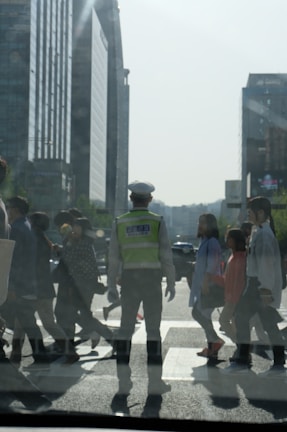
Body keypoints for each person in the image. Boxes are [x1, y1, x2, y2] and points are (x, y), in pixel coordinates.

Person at [107, 180, 176, 395]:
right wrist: (171, 281)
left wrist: (111, 285)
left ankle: (123, 381)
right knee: (153, 331)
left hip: (129, 280)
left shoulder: (120, 222)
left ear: (131, 198)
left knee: (125, 329)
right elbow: (166, 254)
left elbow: (113, 257)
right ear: (150, 199)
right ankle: (155, 382)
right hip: (152, 280)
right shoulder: (157, 221)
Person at [223, 196, 285, 375]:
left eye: (250, 212)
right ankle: (270, 362)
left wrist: (265, 291)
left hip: (259, 286)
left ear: (260, 213)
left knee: (257, 322)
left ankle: (251, 361)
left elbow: (266, 265)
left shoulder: (264, 234)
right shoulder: (259, 231)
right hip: (255, 285)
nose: (247, 214)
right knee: (259, 323)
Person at [4, 196, 53, 369]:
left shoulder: (16, 228)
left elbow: (15, 260)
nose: (7, 211)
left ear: (15, 209)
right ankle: (18, 356)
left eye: (8, 208)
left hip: (19, 285)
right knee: (24, 321)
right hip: (29, 282)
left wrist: (11, 286)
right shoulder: (27, 226)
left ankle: (40, 357)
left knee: (26, 322)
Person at [29, 211, 79, 364]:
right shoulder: (42, 239)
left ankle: (69, 351)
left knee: (48, 322)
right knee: (23, 321)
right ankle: (17, 354)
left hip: (37, 288)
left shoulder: (35, 239)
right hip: (39, 286)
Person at [60, 217, 115, 350]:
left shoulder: (82, 244)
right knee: (80, 315)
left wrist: (67, 243)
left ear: (83, 229)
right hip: (83, 284)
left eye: (77, 227)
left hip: (82, 285)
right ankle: (105, 337)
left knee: (77, 315)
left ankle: (110, 338)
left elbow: (68, 259)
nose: (73, 229)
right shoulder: (82, 242)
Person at [189, 213, 225, 360]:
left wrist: (205, 282)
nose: (200, 225)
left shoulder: (212, 242)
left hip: (209, 284)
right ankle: (212, 348)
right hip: (203, 283)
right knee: (203, 314)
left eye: (203, 222)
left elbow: (212, 265)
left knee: (198, 313)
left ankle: (215, 341)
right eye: (199, 222)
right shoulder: (205, 241)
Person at [213, 228, 247, 344]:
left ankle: (240, 345)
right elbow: (227, 280)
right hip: (232, 298)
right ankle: (241, 349)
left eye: (228, 239)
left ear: (235, 240)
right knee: (234, 324)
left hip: (234, 299)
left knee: (223, 321)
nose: (226, 241)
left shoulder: (240, 258)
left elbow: (239, 282)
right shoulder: (234, 256)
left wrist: (235, 301)